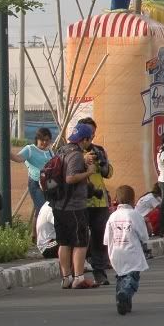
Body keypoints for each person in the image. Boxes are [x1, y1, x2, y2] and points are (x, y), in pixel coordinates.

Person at [52, 123, 98, 289]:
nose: (90, 142)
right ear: (84, 139)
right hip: (74, 206)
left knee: (64, 242)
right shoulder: (76, 155)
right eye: (89, 139)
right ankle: (79, 277)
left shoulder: (62, 150)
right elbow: (70, 178)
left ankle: (66, 277)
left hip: (58, 204)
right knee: (80, 242)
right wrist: (89, 172)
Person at [78, 117, 114, 285]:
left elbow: (109, 173)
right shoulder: (71, 150)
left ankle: (100, 272)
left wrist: (102, 162)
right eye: (87, 133)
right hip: (79, 200)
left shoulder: (99, 149)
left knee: (100, 236)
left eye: (93, 133)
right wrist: (83, 160)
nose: (90, 136)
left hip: (99, 201)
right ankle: (76, 272)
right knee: (81, 236)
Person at [105, 185, 149, 316]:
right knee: (132, 278)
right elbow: (143, 236)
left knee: (121, 277)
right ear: (133, 200)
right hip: (131, 252)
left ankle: (124, 302)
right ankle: (124, 294)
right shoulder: (135, 214)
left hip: (116, 253)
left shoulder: (112, 216)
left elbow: (107, 239)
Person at [10, 127, 54, 237]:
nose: (44, 142)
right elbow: (18, 158)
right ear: (37, 139)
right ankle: (42, 236)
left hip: (49, 184)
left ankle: (34, 235)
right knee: (43, 208)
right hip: (35, 182)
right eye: (42, 139)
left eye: (47, 140)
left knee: (42, 209)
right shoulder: (30, 149)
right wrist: (7, 149)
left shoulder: (50, 151)